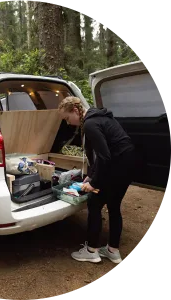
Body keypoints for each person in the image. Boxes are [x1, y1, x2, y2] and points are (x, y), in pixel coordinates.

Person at [58, 96, 136, 264]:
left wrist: (93, 183)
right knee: (114, 207)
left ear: (75, 111)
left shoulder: (90, 124)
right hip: (128, 164)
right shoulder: (98, 117)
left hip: (117, 165)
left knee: (94, 203)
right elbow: (103, 154)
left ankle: (91, 251)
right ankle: (112, 251)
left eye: (66, 118)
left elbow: (104, 156)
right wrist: (92, 174)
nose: (67, 122)